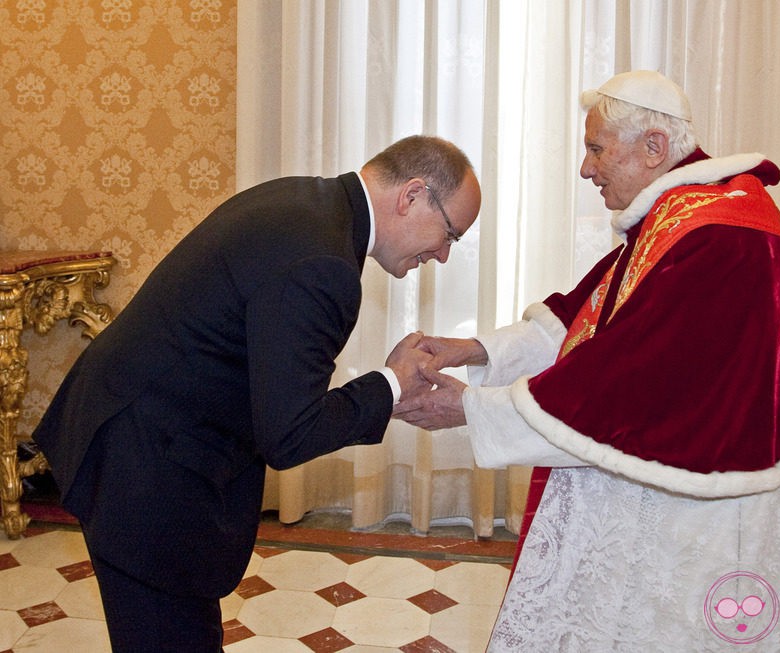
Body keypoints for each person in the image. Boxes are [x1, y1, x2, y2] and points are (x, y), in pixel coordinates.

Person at [394, 72, 780, 650]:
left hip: (709, 509)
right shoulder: (686, 216)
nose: (586, 169)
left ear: (654, 148)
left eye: (595, 149)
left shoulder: (725, 239)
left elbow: (624, 384)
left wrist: (472, 408)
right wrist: (475, 351)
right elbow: (592, 324)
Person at [32, 134, 481, 652]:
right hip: (146, 469)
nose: (444, 255)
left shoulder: (309, 202)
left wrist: (387, 393)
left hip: (132, 435)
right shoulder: (324, 262)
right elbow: (289, 433)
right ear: (412, 195)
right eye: (450, 234)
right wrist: (393, 383)